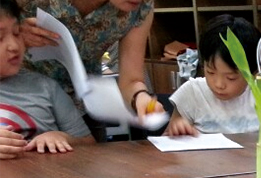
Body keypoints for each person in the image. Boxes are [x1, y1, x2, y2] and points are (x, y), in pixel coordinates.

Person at [18, 0, 164, 136]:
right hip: (23, 101)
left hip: (84, 107)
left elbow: (131, 80)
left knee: (92, 160)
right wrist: (15, 31)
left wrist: (140, 97)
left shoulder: (141, 8)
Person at [0, 0, 93, 160]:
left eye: (16, 33)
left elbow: (89, 143)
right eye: (0, 37)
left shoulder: (46, 87)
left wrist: (62, 137)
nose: (14, 46)